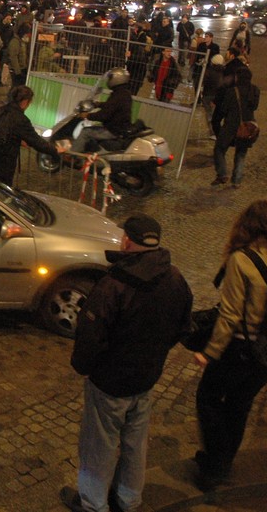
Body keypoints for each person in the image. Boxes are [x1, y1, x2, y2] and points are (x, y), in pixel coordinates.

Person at [60, 215, 192, 512]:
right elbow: (183, 327)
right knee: (135, 444)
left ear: (127, 241)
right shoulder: (175, 278)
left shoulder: (113, 286)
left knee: (99, 445)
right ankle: (128, 499)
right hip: (146, 378)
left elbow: (91, 336)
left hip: (109, 383)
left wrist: (85, 367)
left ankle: (94, 504)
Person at [193, 200, 267, 490]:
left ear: (244, 227)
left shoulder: (241, 261)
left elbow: (230, 315)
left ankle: (214, 465)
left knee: (208, 398)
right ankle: (224, 460)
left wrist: (210, 353)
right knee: (240, 405)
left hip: (239, 349)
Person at [0, 85, 61, 187]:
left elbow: (0, 132)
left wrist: (16, 139)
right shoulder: (20, 119)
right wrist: (55, 150)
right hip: (3, 165)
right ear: (25, 101)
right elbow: (36, 141)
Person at [211, 66, 259, 188]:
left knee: (219, 149)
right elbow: (254, 107)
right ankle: (236, 181)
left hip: (231, 126)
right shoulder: (255, 90)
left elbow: (224, 108)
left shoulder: (232, 91)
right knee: (241, 153)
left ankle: (222, 173)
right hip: (247, 126)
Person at [71, 69, 134, 154]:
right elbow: (113, 107)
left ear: (117, 79)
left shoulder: (118, 95)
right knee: (94, 129)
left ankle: (72, 156)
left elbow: (103, 115)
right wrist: (99, 104)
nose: (108, 80)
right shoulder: (124, 93)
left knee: (85, 132)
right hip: (119, 128)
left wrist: (87, 115)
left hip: (112, 131)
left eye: (110, 78)